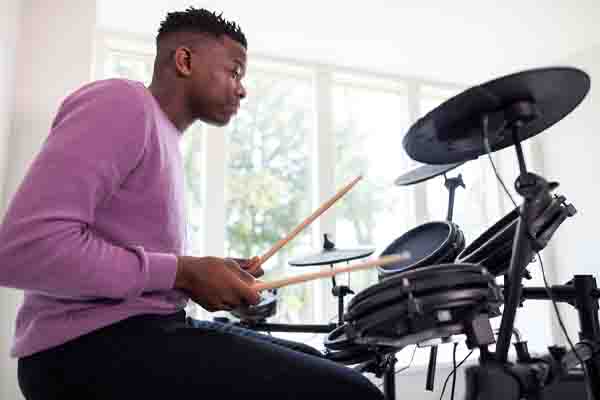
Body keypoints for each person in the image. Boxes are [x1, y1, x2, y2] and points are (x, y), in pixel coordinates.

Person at [0, 7, 385, 399]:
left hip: (145, 330)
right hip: (84, 350)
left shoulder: (162, 134)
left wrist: (209, 273)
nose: (242, 88)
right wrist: (182, 273)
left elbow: (140, 264)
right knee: (350, 393)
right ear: (184, 60)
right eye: (234, 71)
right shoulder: (123, 103)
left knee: (329, 368)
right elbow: (22, 250)